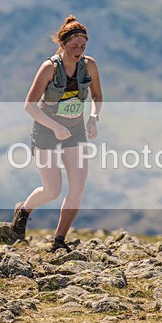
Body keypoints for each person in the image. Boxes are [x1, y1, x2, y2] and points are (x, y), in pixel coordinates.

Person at [12, 15, 103, 252]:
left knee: (78, 187)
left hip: (75, 131)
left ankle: (59, 241)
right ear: (62, 44)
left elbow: (97, 96)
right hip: (46, 131)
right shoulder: (49, 68)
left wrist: (93, 117)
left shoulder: (89, 65)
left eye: (83, 46)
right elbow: (29, 105)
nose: (79, 51)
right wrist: (55, 126)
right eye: (74, 46)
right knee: (52, 190)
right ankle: (24, 210)